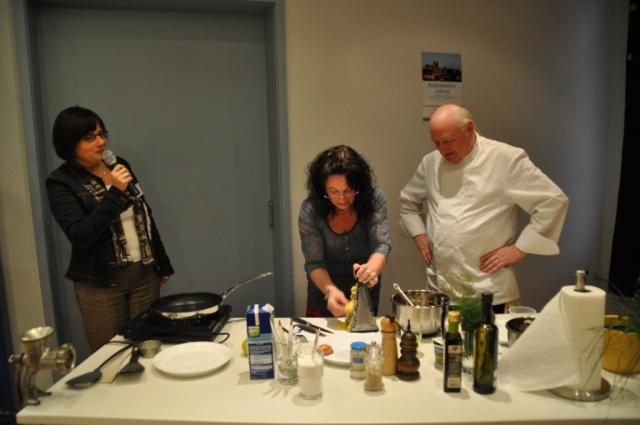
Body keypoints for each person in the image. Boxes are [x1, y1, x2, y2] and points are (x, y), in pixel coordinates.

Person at [399, 104, 569, 312]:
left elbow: (553, 201)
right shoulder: (430, 163)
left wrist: (520, 249)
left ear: (469, 129)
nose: (443, 150)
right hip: (440, 290)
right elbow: (408, 201)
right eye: (437, 143)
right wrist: (419, 234)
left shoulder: (506, 159)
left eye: (448, 141)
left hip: (490, 290)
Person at [46, 106, 174, 351]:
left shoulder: (118, 165)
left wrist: (162, 261)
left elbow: (144, 214)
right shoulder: (61, 182)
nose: (101, 142)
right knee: (111, 355)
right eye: (90, 137)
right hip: (100, 284)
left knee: (148, 347)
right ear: (69, 143)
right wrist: (115, 193)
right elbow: (81, 235)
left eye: (102, 134)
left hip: (144, 274)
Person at [299, 145, 391, 317]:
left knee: (363, 334)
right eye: (333, 191)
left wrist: (371, 270)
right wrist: (330, 291)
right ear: (322, 189)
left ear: (359, 186)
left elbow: (381, 245)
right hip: (323, 296)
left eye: (348, 190)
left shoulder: (374, 199)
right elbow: (314, 263)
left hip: (364, 296)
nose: (342, 198)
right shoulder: (311, 210)